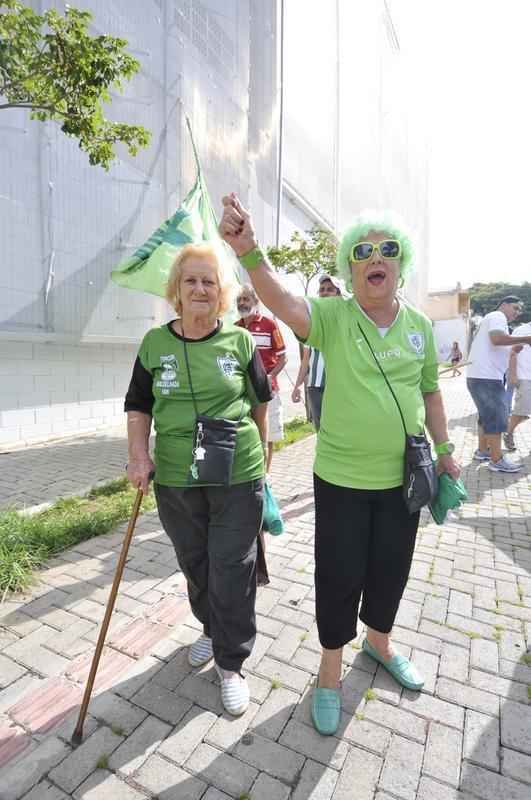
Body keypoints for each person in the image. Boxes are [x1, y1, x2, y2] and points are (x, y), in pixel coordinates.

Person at [220, 195, 460, 736]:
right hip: (341, 481)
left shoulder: (420, 325)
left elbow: (432, 394)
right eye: (364, 250)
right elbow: (281, 299)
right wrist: (250, 251)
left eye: (388, 248)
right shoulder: (331, 315)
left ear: (402, 264)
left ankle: (379, 643)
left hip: (403, 479)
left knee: (391, 568)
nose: (377, 256)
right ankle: (329, 674)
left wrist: (446, 455)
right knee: (338, 576)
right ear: (351, 267)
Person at [124, 243, 272, 716]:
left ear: (222, 292)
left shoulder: (241, 342)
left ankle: (232, 664)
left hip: (236, 471)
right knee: (195, 561)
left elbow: (260, 401)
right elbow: (138, 405)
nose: (200, 288)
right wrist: (136, 456)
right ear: (177, 291)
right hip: (174, 475)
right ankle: (210, 628)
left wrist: (263, 460)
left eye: (210, 281)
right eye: (191, 280)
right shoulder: (154, 344)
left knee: (232, 565)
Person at [466, 296, 530, 471]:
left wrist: (513, 348)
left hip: (481, 376)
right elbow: (497, 339)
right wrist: (525, 339)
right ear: (504, 305)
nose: (517, 313)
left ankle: (482, 451)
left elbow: (496, 344)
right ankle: (496, 460)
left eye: (520, 310)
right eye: (515, 308)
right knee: (496, 417)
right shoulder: (497, 316)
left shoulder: (493, 319)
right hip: (487, 377)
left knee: (486, 417)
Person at [236, 284, 287, 472]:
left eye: (246, 299)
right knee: (247, 433)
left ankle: (265, 475)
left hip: (268, 389)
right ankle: (250, 472)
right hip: (243, 392)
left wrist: (269, 377)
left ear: (255, 302)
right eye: (239, 300)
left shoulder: (269, 324)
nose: (242, 303)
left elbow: (283, 357)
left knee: (268, 435)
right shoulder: (235, 329)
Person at [291, 275, 341, 430]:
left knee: (339, 427)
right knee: (321, 429)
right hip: (315, 386)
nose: (325, 293)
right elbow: (306, 360)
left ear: (338, 294)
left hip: (338, 385)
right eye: (322, 290)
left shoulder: (345, 321)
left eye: (330, 289)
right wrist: (297, 385)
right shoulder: (311, 323)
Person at [504, 318, 531, 451]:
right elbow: (511, 352)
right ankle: (508, 432)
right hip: (526, 376)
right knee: (522, 410)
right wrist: (512, 374)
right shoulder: (522, 330)